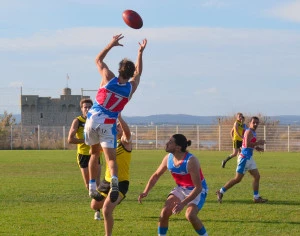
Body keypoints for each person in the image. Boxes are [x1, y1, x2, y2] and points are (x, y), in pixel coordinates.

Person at [84, 34, 147, 203]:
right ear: (130, 73)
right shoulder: (130, 89)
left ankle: (91, 187)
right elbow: (139, 73)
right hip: (108, 124)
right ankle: (115, 183)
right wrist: (140, 52)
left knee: (94, 155)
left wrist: (111, 44)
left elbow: (98, 60)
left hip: (92, 119)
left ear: (119, 69)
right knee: (111, 159)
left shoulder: (108, 77)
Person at [138, 134, 209, 236]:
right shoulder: (168, 158)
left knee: (190, 215)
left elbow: (198, 187)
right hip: (181, 188)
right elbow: (156, 175)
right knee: (164, 212)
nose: (167, 143)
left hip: (197, 190)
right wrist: (146, 191)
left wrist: (183, 203)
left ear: (178, 147)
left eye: (170, 142)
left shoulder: (191, 161)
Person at [90, 113, 132, 234]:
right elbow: (94, 150)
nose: (117, 126)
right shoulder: (108, 144)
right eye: (116, 126)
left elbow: (127, 133)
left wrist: (119, 117)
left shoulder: (125, 143)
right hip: (106, 181)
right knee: (94, 205)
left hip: (121, 182)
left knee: (106, 210)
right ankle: (113, 200)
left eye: (119, 126)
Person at [216, 116, 268, 203]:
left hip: (249, 158)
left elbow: (246, 145)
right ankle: (220, 191)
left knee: (257, 176)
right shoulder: (248, 132)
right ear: (249, 123)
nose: (255, 124)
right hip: (244, 159)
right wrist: (258, 143)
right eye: (253, 122)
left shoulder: (253, 132)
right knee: (237, 179)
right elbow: (247, 144)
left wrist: (256, 147)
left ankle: (256, 197)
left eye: (257, 123)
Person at [67, 98, 101, 190]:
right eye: (85, 107)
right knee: (89, 184)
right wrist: (86, 140)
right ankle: (96, 200)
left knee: (97, 183)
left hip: (95, 153)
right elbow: (70, 139)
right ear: (81, 109)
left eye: (90, 107)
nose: (87, 109)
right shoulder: (78, 121)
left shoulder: (97, 120)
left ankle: (99, 202)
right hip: (83, 155)